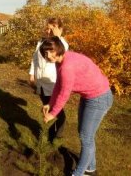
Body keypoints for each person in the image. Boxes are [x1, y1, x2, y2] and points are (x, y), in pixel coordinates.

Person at [40, 36, 113, 176]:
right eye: (45, 52)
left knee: (86, 137)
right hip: (89, 96)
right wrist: (50, 103)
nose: (47, 55)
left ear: (59, 49)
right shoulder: (60, 61)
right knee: (85, 134)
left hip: (99, 98)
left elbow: (64, 94)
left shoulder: (67, 67)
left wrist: (53, 114)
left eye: (50, 51)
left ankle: (78, 174)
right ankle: (91, 168)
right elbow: (58, 86)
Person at [29, 17, 68, 142]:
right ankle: (51, 136)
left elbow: (63, 50)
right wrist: (31, 74)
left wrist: (58, 36)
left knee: (60, 115)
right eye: (48, 29)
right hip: (41, 83)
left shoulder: (61, 43)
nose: (49, 32)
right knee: (51, 111)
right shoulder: (41, 43)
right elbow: (34, 59)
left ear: (59, 30)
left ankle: (53, 136)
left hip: (53, 84)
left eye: (52, 29)